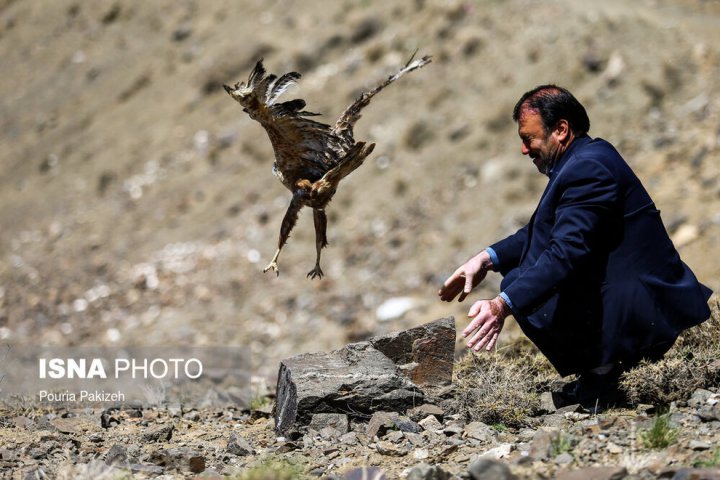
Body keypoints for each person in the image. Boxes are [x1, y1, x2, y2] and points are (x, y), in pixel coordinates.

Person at [439, 85, 713, 409]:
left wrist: (503, 305)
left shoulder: (587, 168)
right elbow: (538, 232)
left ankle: (603, 375)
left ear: (561, 130)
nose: (525, 150)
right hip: (630, 292)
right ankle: (604, 370)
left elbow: (566, 251)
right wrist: (484, 260)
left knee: (518, 284)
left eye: (529, 139)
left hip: (646, 303)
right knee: (520, 272)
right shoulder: (583, 159)